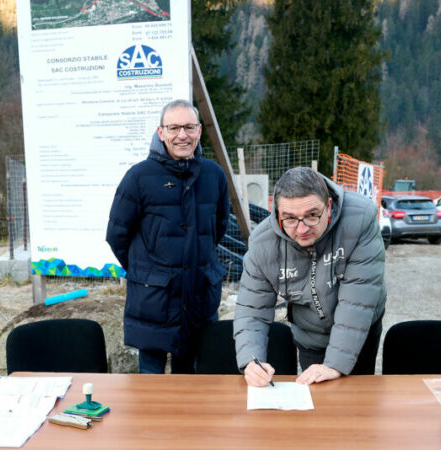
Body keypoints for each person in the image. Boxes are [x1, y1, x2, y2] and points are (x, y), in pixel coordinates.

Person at [106, 99, 229, 374]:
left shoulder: (214, 176)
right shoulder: (138, 177)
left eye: (188, 127)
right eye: (173, 128)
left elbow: (218, 228)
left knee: (192, 386)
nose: (182, 135)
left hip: (199, 296)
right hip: (154, 302)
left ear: (199, 131)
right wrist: (147, 271)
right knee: (151, 384)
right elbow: (117, 235)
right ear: (161, 133)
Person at [234, 167, 386, 386]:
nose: (302, 229)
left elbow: (358, 300)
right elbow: (251, 311)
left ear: (329, 207)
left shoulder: (360, 219)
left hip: (360, 330)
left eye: (312, 216)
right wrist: (251, 361)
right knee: (316, 398)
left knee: (354, 401)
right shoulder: (262, 244)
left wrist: (335, 364)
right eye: (290, 219)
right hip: (310, 334)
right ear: (277, 214)